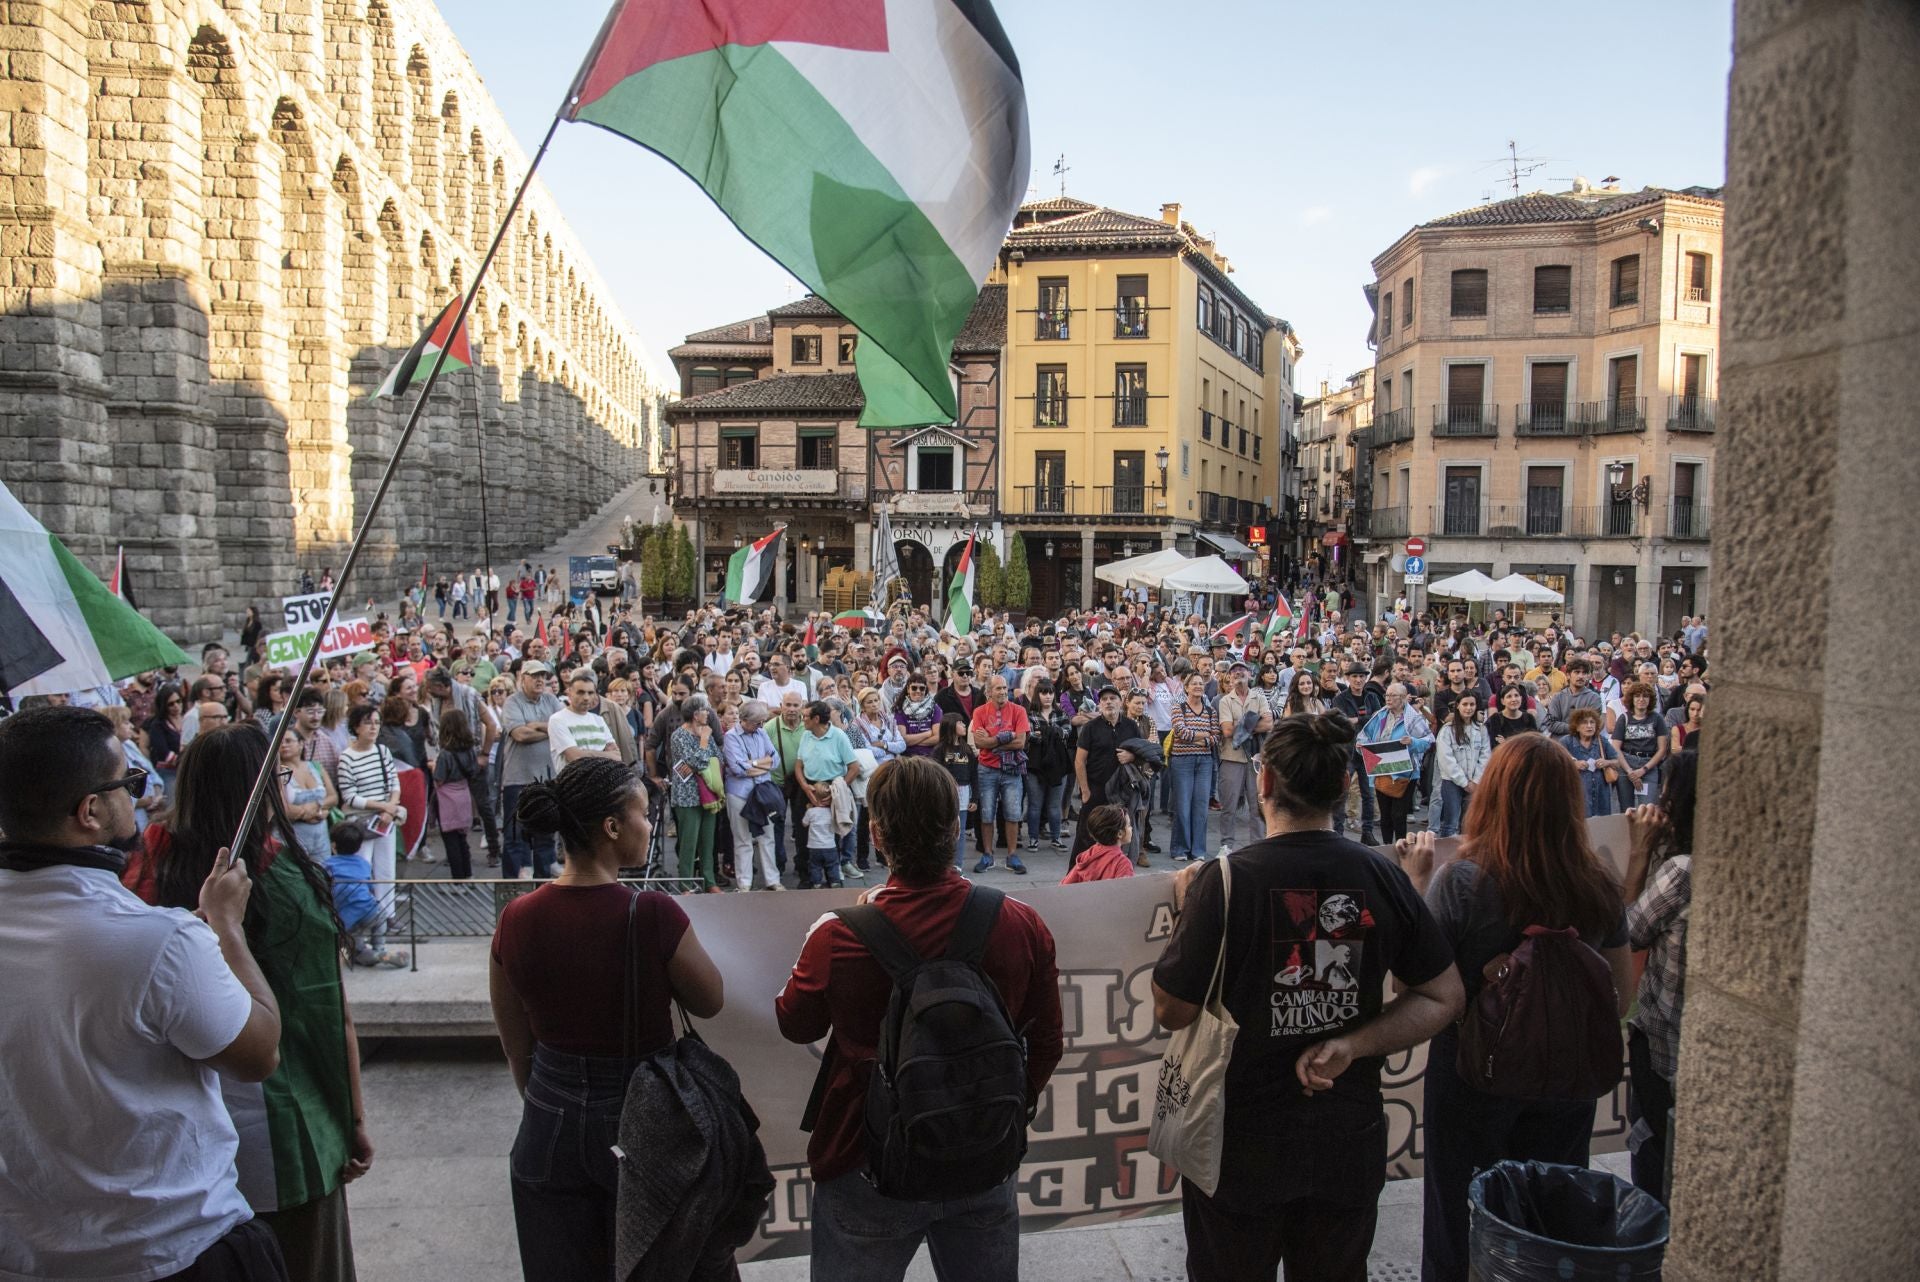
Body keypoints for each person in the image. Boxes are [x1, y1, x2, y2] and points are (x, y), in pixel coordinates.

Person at [1151, 713, 1463, 1282]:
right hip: (1345, 1138)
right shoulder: (1381, 874)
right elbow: (1442, 997)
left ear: (1263, 782)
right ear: (1346, 786)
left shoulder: (1222, 883)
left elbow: (1172, 1009)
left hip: (1238, 1141)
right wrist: (1353, 1043)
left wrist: (1184, 916)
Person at [0, 706, 288, 1282]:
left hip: (28, 1257)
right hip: (170, 1249)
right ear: (89, 811)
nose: (142, 793)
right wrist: (224, 925)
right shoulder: (160, 940)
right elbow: (259, 1053)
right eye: (128, 782)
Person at [775, 755, 1063, 1281]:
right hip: (982, 1151)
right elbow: (1046, 1043)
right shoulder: (1020, 923)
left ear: (876, 834)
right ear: (956, 829)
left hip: (864, 1157)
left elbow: (796, 1024)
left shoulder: (836, 936)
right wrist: (1000, 1111)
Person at [127, 723, 375, 1282]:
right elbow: (326, 1013)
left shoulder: (143, 864)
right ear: (257, 790)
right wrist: (353, 1117)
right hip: (282, 1130)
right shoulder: (284, 880)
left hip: (170, 1148)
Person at [1401, 734, 1634, 1282]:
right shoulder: (1598, 882)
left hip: (1471, 1078)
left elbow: (1412, 986)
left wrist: (1416, 883)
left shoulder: (1462, 881)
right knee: (1549, 1224)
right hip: (1566, 1078)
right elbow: (1621, 994)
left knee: (1457, 1223)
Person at [490, 757, 726, 1282]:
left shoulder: (516, 918)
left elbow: (515, 1045)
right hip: (647, 1117)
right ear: (612, 827)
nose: (652, 825)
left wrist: (550, 1097)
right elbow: (710, 999)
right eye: (644, 813)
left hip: (548, 1120)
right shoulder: (653, 914)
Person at [1620, 750, 1698, 1204]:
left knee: (1653, 1161)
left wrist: (1641, 851)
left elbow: (1627, 932)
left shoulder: (1683, 872)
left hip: (1665, 1050)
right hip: (1691, 1053)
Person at [335, 704, 403, 922]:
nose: (373, 727)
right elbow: (350, 796)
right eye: (368, 722)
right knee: (362, 868)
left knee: (386, 870)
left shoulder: (383, 751)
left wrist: (390, 809)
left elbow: (394, 784)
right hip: (362, 821)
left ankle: (388, 916)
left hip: (385, 820)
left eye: (376, 722)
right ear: (356, 726)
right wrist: (383, 807)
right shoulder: (347, 757)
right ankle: (363, 914)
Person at [498, 661, 564, 880]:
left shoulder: (552, 700)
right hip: (517, 779)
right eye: (534, 676)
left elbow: (564, 727)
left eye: (543, 676)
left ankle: (544, 892)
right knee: (515, 836)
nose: (540, 680)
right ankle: (511, 891)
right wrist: (550, 730)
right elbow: (520, 735)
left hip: (547, 781)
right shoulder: (512, 702)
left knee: (545, 837)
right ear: (522, 678)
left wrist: (535, 725)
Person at [968, 674, 1030, 874]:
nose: (1003, 692)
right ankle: (988, 854)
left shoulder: (1019, 710)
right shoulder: (979, 712)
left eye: (1005, 688)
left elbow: (1021, 743)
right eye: (998, 688)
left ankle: (1012, 855)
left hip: (1011, 770)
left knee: (1013, 813)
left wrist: (992, 741)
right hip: (986, 769)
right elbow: (979, 743)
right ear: (989, 692)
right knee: (986, 813)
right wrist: (1004, 739)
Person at [722, 699, 783, 892]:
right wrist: (761, 764)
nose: (761, 726)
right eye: (757, 722)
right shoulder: (731, 737)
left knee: (767, 836)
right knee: (742, 839)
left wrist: (753, 764)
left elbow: (775, 760)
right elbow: (738, 768)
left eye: (762, 722)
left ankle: (773, 880)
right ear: (744, 720)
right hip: (739, 793)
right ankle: (744, 883)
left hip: (762, 792)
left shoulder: (762, 732)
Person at [1216, 663, 1272, 858]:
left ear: (1250, 674)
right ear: (1230, 677)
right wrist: (1252, 721)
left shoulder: (1259, 696)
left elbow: (1269, 723)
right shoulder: (1225, 700)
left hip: (1256, 759)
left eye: (1242, 670)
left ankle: (1258, 845)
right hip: (1232, 757)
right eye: (1234, 671)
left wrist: (1243, 724)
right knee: (1229, 805)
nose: (1239, 673)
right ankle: (1226, 844)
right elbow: (1227, 731)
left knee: (1257, 805)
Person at [668, 694, 722, 892]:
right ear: (694, 714)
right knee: (688, 843)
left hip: (707, 793)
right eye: (704, 710)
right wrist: (704, 742)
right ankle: (686, 884)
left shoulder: (706, 731)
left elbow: (718, 757)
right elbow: (696, 761)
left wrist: (705, 751)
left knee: (708, 841)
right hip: (687, 795)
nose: (708, 713)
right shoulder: (679, 736)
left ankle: (709, 881)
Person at [1168, 672, 1222, 862]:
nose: (1198, 686)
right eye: (1194, 684)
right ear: (1187, 687)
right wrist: (1204, 736)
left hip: (1205, 763)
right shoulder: (1178, 707)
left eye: (1201, 683)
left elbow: (1216, 737)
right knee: (1182, 806)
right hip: (1182, 761)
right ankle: (1180, 849)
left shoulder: (1210, 712)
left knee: (1200, 807)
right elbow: (1180, 732)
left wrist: (1198, 738)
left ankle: (1198, 849)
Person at [1021, 678, 1072, 854]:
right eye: (1044, 692)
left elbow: (1066, 733)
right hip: (1034, 764)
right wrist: (1050, 733)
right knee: (1035, 804)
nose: (1048, 696)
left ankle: (1056, 838)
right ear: (1037, 694)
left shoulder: (1061, 714)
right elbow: (1029, 736)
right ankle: (1033, 839)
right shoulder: (1029, 714)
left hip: (1058, 764)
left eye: (1050, 692)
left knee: (1054, 804)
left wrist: (1043, 733)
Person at [1432, 691, 1489, 840]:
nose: (1468, 708)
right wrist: (1463, 782)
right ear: (1457, 706)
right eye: (1465, 704)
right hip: (1452, 782)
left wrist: (1476, 780)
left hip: (1474, 782)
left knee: (1469, 823)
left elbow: (1485, 756)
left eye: (1472, 704)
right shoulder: (1447, 730)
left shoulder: (1481, 729)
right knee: (1450, 823)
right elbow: (1446, 759)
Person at [279, 727, 337, 864]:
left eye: (288, 741)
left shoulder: (315, 766)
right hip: (292, 837)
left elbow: (333, 797)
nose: (283, 745)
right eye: (280, 742)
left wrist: (318, 806)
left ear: (300, 744)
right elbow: (281, 807)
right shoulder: (278, 772)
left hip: (321, 837)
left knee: (324, 876)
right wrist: (307, 813)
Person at [1612, 680, 1669, 809]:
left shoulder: (1657, 718)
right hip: (1626, 764)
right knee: (1626, 809)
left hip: (1648, 764)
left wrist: (1643, 770)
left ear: (1650, 699)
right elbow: (1616, 747)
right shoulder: (1624, 718)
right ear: (1631, 699)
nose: (1641, 699)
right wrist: (1629, 771)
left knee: (1647, 807)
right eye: (1637, 696)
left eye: (1645, 696)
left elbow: (1662, 749)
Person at [935, 713, 979, 872]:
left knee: (959, 831)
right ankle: (943, 863)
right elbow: (936, 773)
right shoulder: (940, 750)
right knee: (945, 830)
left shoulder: (967, 749)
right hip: (946, 795)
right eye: (960, 723)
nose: (964, 725)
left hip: (964, 793)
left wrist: (975, 797)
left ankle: (957, 865)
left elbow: (974, 774)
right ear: (951, 725)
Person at [1560, 707, 1622, 817]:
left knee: (1602, 826)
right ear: (1577, 727)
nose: (1589, 726)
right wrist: (1574, 764)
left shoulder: (1601, 741)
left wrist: (1606, 762)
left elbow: (1617, 762)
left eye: (1592, 722)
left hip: (1601, 794)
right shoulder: (1566, 742)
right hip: (1578, 794)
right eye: (1584, 722)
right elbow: (1557, 764)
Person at [1062, 803, 1136, 883]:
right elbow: (1125, 892)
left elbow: (1064, 886)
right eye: (1128, 825)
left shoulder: (1088, 855)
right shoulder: (1123, 864)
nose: (1131, 828)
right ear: (1120, 834)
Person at [1484, 682, 1538, 749]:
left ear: (1521, 698)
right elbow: (1496, 746)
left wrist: (1506, 741)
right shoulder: (1495, 719)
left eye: (1516, 695)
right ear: (1502, 701)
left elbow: (1534, 743)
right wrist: (1523, 742)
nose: (1514, 699)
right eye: (1509, 696)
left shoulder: (1529, 718)